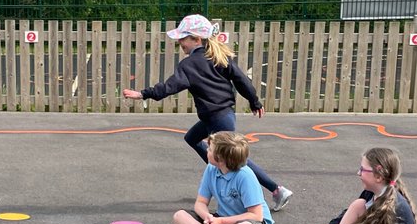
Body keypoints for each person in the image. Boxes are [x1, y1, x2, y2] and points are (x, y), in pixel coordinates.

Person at [123, 13, 291, 212]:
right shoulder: (217, 57)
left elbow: (169, 86)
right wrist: (254, 101)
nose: (179, 42)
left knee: (237, 161)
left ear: (196, 39)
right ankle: (220, 173)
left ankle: (276, 190)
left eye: (183, 38)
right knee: (192, 138)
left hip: (218, 118)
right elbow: (242, 80)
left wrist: (142, 94)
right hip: (220, 115)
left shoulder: (190, 64)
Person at [305, 146, 417, 224]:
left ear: (378, 176)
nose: (358, 173)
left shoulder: (393, 206)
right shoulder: (372, 192)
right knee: (358, 204)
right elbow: (348, 214)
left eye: (362, 169)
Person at [168, 131, 273, 224]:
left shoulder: (245, 176)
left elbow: (256, 216)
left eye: (210, 149)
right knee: (180, 216)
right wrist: (208, 218)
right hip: (221, 220)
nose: (206, 150)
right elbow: (200, 203)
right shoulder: (211, 169)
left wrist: (219, 222)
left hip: (252, 223)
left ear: (221, 159)